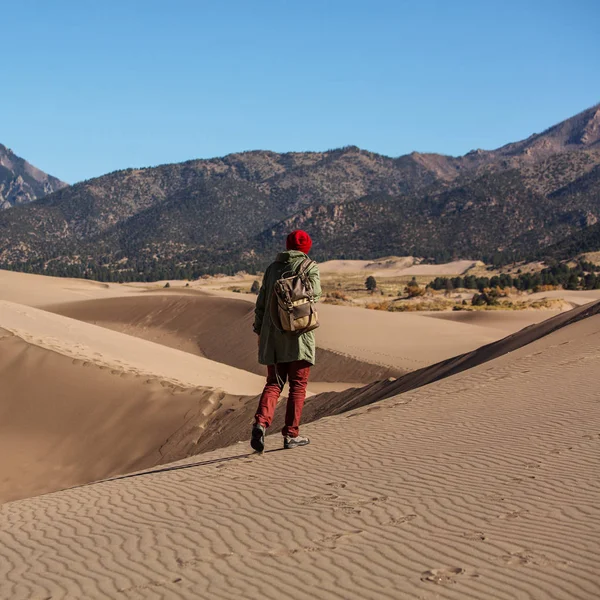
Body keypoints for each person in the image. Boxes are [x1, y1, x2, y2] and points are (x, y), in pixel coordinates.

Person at [251, 229, 321, 452]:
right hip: (299, 334)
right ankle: (291, 435)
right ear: (305, 248)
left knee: (274, 383)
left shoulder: (272, 269)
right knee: (297, 387)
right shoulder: (310, 267)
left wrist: (259, 331)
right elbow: (315, 295)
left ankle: (261, 423)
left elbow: (261, 303)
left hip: (273, 337)